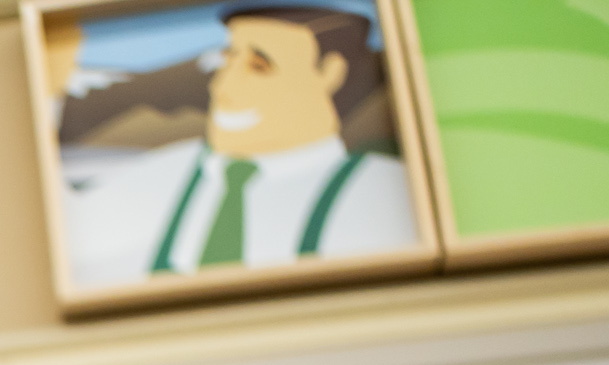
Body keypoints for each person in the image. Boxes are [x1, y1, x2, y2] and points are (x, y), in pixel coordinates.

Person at [63, 4, 417, 290]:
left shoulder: (378, 193)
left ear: (330, 73)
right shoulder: (167, 174)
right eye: (228, 60)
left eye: (259, 67)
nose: (223, 87)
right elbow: (67, 233)